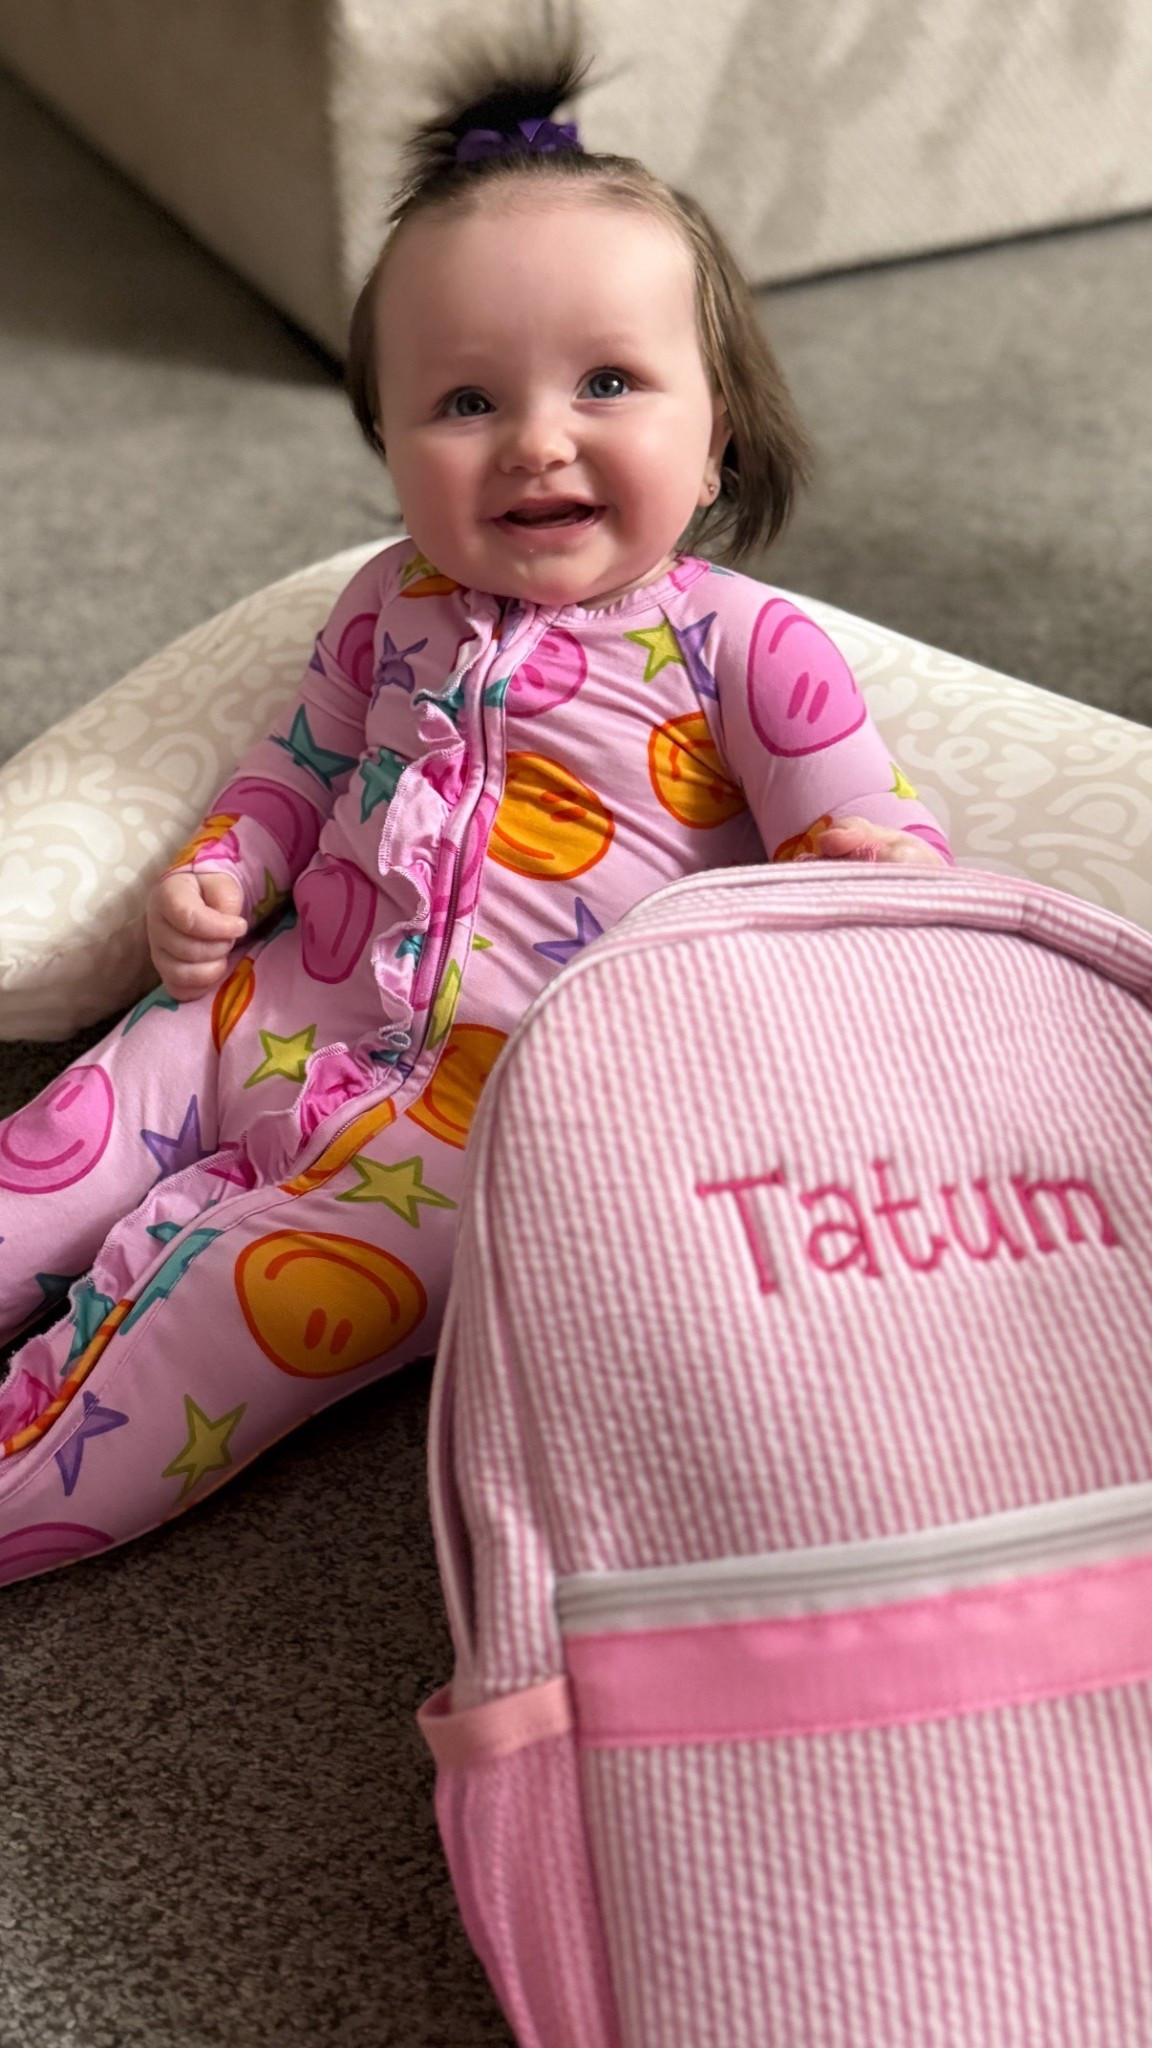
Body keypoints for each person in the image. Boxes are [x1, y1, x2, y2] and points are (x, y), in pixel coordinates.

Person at [0, 31, 950, 1589]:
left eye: (608, 383)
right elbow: (296, 767)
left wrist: (866, 868)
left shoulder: (746, 647)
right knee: (44, 1153)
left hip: (483, 1139)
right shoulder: (390, 601)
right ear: (387, 443)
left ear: (716, 435)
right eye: (461, 398)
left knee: (218, 1329)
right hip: (262, 1014)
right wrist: (226, 866)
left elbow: (883, 858)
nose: (537, 438)